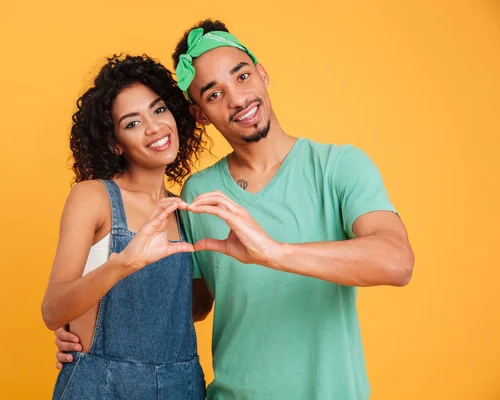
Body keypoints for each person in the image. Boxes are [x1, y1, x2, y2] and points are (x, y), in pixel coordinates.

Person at [55, 20, 415, 400]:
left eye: (242, 76)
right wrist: (86, 332)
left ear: (262, 73)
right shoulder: (198, 193)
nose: (238, 99)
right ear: (200, 115)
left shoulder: (338, 166)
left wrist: (274, 253)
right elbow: (188, 303)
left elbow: (396, 261)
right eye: (214, 95)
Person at [41, 54, 207, 399]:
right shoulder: (94, 198)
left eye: (159, 110)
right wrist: (124, 263)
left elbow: (193, 309)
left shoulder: (187, 207)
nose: (155, 127)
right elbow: (53, 309)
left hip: (182, 385)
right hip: (102, 383)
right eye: (132, 123)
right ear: (115, 143)